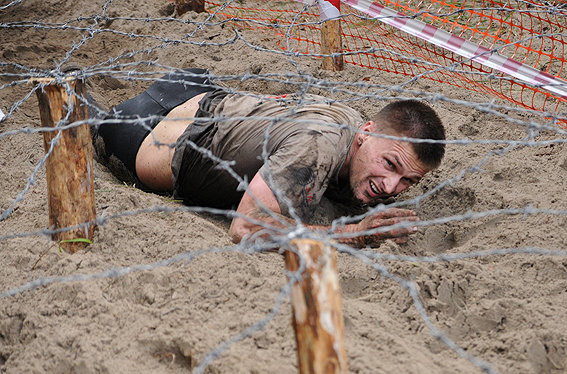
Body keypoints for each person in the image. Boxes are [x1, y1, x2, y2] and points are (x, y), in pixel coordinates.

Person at [92, 68, 446, 248]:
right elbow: (245, 228)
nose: (390, 186)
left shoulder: (356, 132)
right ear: (366, 133)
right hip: (142, 129)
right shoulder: (319, 145)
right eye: (390, 165)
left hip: (204, 92)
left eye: (408, 181)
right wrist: (355, 234)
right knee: (77, 117)